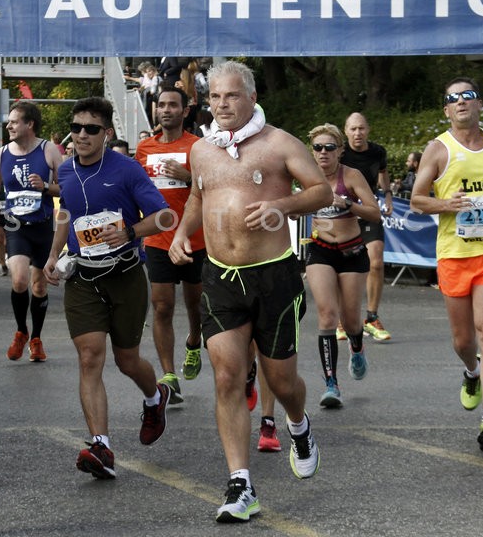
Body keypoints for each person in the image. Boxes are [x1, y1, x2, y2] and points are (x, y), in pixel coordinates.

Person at [168, 60, 331, 523]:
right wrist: (184, 233)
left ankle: (297, 423)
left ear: (251, 98)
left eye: (232, 96)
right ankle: (240, 483)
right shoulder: (202, 150)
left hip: (274, 276)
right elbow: (199, 197)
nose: (222, 104)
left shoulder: (279, 143)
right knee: (226, 376)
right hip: (220, 275)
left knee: (281, 383)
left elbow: (320, 191)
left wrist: (281, 205)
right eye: (215, 96)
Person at [43, 96, 174, 480]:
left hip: (126, 275)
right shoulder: (66, 172)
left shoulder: (128, 170)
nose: (82, 135)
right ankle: (101, 445)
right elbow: (66, 212)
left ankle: (155, 397)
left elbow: (164, 216)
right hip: (83, 277)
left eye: (92, 129)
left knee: (127, 360)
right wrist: (53, 255)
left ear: (108, 133)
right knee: (89, 357)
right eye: (77, 127)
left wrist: (130, 232)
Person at [410, 77, 483, 452]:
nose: (461, 102)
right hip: (455, 255)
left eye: (468, 96)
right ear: (446, 110)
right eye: (453, 99)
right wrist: (447, 204)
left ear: (479, 104)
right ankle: (471, 371)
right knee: (463, 340)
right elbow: (416, 199)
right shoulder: (438, 150)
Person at [134, 87, 206, 404]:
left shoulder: (198, 147)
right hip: (158, 238)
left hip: (195, 237)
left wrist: (188, 176)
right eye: (161, 105)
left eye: (172, 105)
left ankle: (193, 340)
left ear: (184, 111)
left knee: (196, 305)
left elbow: (213, 186)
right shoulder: (144, 148)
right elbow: (135, 187)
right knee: (162, 306)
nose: (165, 110)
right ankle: (168, 376)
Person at [305, 123, 383, 408]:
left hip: (352, 252)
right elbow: (290, 207)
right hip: (320, 250)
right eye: (318, 148)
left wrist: (347, 204)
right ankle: (331, 385)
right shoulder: (305, 177)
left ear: (340, 150)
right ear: (311, 152)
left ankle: (357, 345)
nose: (323, 153)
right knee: (327, 315)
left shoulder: (351, 176)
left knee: (351, 320)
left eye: (329, 148)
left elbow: (374, 214)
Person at [0, 101, 63, 362]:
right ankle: (21, 331)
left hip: (42, 226)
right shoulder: (2, 153)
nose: (8, 125)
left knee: (39, 286)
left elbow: (65, 187)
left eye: (14, 121)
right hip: (15, 225)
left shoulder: (48, 150)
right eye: (9, 121)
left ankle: (37, 338)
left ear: (29, 124)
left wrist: (45, 187)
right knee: (19, 280)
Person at [340, 112, 394, 342]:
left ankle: (371, 317)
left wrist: (388, 195)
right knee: (344, 268)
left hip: (368, 210)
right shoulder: (339, 152)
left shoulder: (378, 152)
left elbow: (382, 172)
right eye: (353, 129)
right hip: (343, 214)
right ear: (345, 131)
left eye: (361, 128)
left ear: (368, 130)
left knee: (377, 261)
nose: (357, 133)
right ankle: (343, 320)